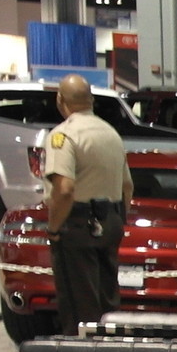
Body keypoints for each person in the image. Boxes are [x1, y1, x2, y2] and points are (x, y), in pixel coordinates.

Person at [40, 75, 131, 331]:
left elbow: (65, 190)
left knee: (79, 305)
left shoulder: (63, 135)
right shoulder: (110, 134)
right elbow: (127, 186)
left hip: (78, 225)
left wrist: (54, 229)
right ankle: (109, 349)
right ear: (91, 100)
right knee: (107, 301)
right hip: (111, 219)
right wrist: (117, 218)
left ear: (60, 100)